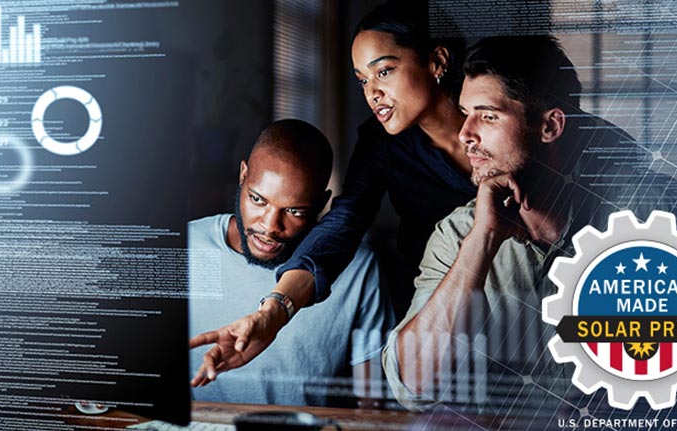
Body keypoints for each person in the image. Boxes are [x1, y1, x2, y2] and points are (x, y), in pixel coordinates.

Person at [381, 36, 677, 413]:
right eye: (465, 113)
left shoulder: (646, 213)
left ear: (549, 126)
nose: (465, 134)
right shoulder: (459, 234)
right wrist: (484, 239)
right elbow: (414, 388)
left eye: (488, 116)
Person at [191, 0, 476, 378]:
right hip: (444, 306)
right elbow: (344, 222)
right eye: (362, 80)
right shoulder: (381, 144)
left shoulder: (507, 120)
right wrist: (274, 313)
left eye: (384, 71)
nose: (372, 93)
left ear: (437, 61)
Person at [188, 119, 394, 407]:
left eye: (294, 211)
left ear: (322, 204)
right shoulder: (185, 246)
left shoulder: (358, 267)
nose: (270, 226)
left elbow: (371, 401)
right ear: (243, 174)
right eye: (258, 199)